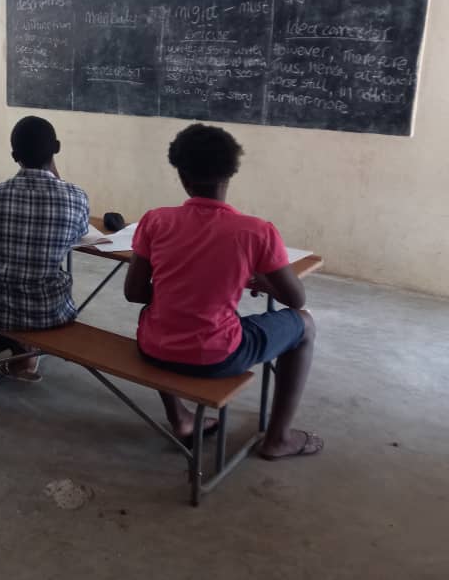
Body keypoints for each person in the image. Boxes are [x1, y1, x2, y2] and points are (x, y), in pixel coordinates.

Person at [124, 123, 321, 459]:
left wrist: (182, 287)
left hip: (153, 349)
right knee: (305, 324)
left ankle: (181, 419)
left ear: (182, 177)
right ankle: (278, 438)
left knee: (156, 315)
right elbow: (295, 299)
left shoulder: (155, 220)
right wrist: (261, 280)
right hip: (217, 356)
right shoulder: (257, 232)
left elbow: (135, 292)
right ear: (231, 173)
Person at [0, 117, 89, 381]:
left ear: (13, 155)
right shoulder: (75, 197)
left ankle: (22, 353)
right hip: (52, 312)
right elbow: (76, 238)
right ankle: (27, 354)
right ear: (56, 148)